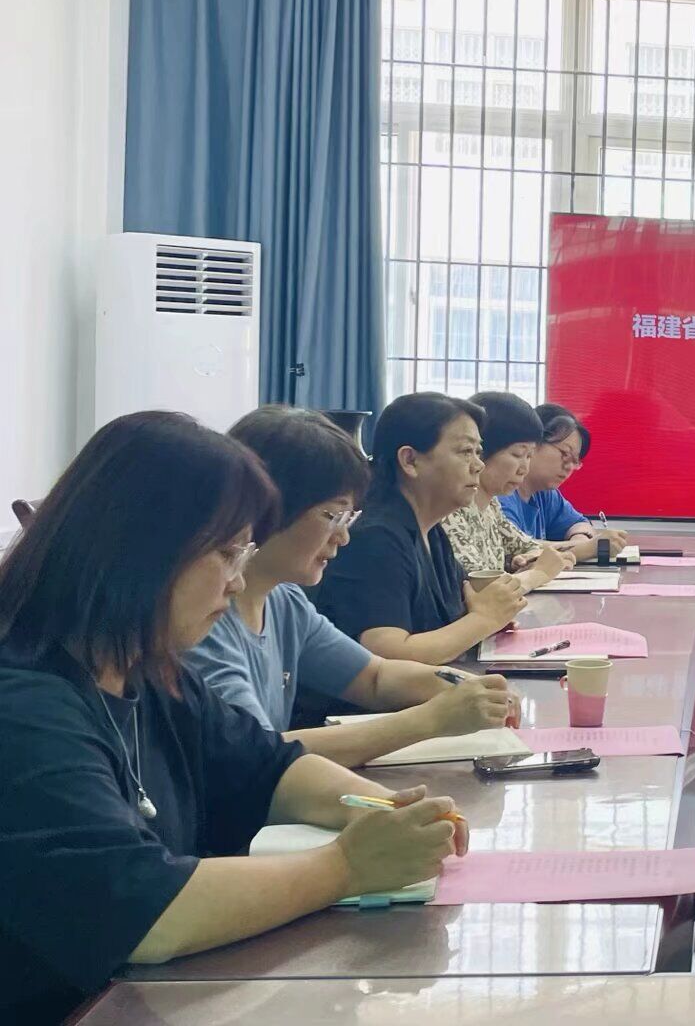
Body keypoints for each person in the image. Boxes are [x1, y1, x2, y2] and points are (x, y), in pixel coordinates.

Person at [0, 413, 465, 1024]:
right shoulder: (25, 704)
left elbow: (267, 766)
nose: (238, 579)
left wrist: (384, 810)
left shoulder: (144, 669)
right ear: (141, 551)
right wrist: (347, 865)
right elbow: (142, 912)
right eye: (226, 553)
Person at [183, 406, 519, 767]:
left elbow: (375, 676)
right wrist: (431, 720)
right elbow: (259, 753)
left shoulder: (284, 601)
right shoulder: (204, 620)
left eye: (349, 517)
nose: (343, 536)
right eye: (333, 516)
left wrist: (465, 687)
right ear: (267, 507)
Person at [309, 393, 526, 665]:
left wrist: (487, 618)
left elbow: (466, 608)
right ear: (410, 460)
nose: (478, 465)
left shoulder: (431, 530)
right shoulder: (375, 537)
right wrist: (484, 620)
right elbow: (386, 654)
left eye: (478, 452)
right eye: (465, 451)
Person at [441, 391, 574, 590]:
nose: (524, 469)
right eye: (517, 454)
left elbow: (526, 546)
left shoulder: (491, 505)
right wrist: (538, 573)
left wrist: (532, 559)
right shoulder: (449, 509)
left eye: (529, 456)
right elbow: (481, 587)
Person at [501, 402, 628, 562]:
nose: (569, 467)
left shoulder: (545, 493)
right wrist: (587, 548)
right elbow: (514, 548)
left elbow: (580, 523)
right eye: (565, 454)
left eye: (575, 461)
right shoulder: (501, 492)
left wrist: (580, 540)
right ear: (533, 443)